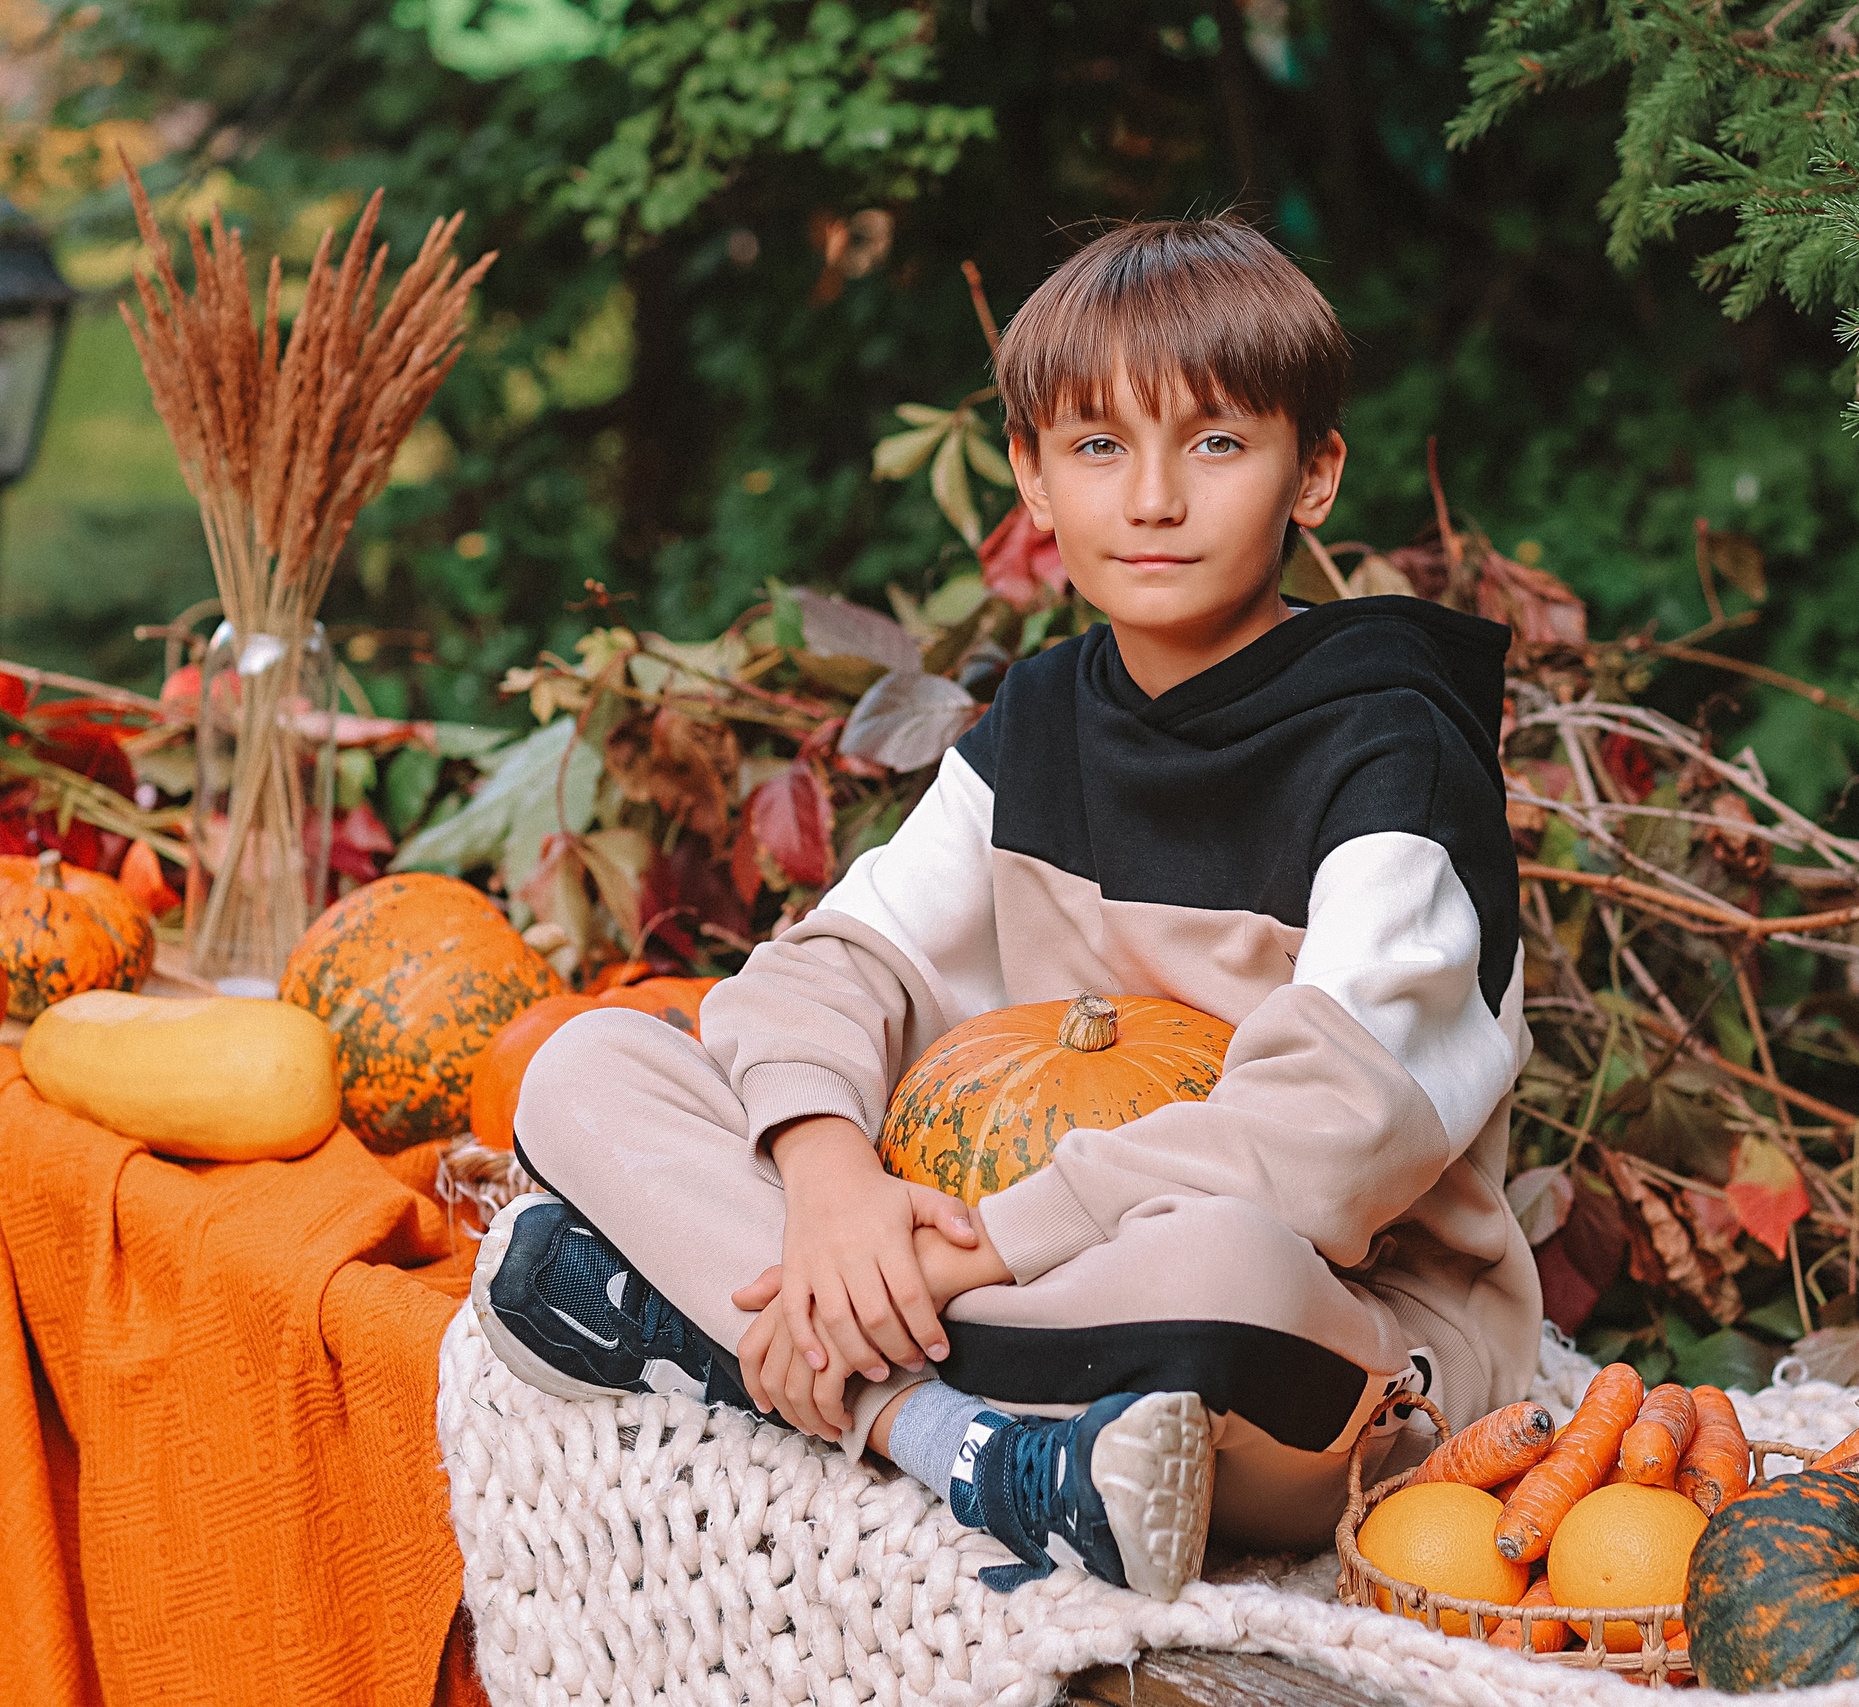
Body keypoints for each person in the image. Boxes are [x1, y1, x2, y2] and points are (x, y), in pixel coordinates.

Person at [472, 218, 1539, 1604]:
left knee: (1223, 1267)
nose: (1153, 498)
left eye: (1217, 443)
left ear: (1314, 473)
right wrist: (832, 1188)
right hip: (1027, 1290)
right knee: (588, 1065)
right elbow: (830, 970)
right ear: (1032, 477)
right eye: (1098, 445)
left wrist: (969, 1250)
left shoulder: (1396, 759)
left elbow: (1325, 1137)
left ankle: (693, 1326)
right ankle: (966, 1444)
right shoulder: (1037, 729)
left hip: (1335, 1336)